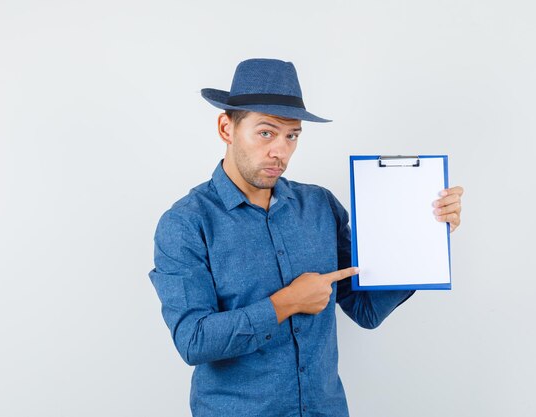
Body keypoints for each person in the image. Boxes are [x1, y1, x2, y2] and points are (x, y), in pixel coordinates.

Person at [148, 58, 463, 417]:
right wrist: (287, 303)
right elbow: (194, 340)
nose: (280, 151)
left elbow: (365, 310)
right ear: (226, 128)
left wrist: (426, 233)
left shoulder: (319, 206)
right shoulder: (186, 223)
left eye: (292, 135)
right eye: (266, 132)